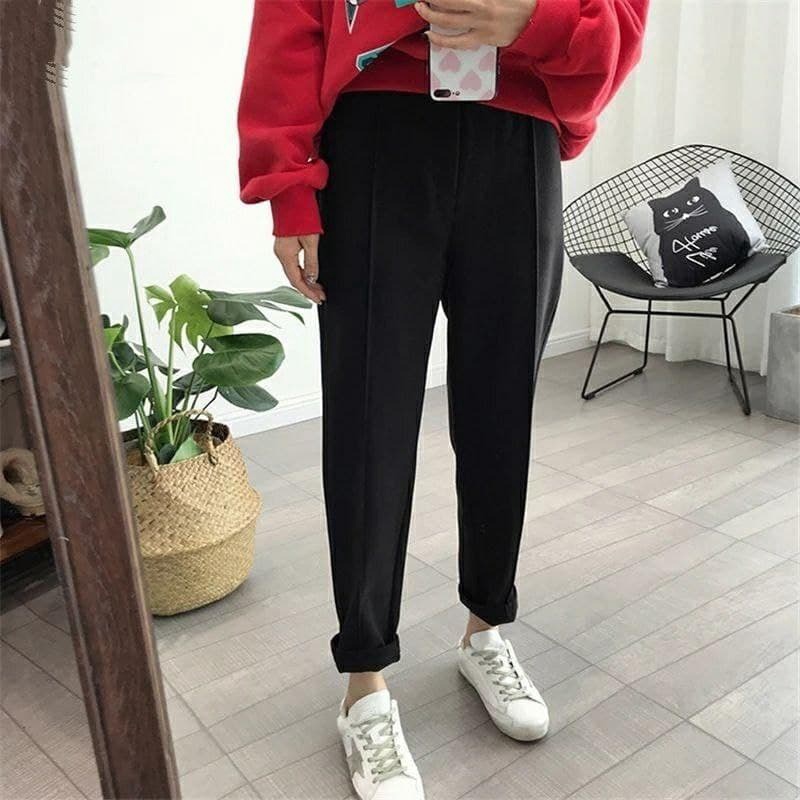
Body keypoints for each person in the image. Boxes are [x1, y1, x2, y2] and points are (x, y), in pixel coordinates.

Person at [239, 1, 648, 797]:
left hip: (519, 137)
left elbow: (622, 22)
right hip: (375, 135)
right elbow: (289, 18)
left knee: (501, 414)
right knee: (369, 420)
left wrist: (534, 21)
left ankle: (486, 629)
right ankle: (364, 681)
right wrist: (287, 185)